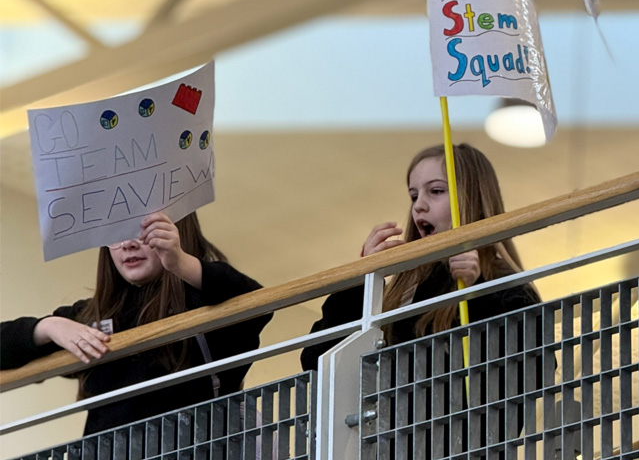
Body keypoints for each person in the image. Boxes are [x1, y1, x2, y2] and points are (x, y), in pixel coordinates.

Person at [0, 211, 272, 436]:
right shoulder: (91, 314)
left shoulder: (202, 298)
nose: (127, 244)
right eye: (114, 233)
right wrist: (48, 327)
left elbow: (257, 304)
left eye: (142, 229)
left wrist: (179, 262)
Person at [300, 142, 540, 369]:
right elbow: (315, 361)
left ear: (474, 200)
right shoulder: (399, 292)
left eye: (436, 191)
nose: (419, 206)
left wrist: (475, 293)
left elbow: (527, 374)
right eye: (414, 196)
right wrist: (361, 281)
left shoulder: (508, 286)